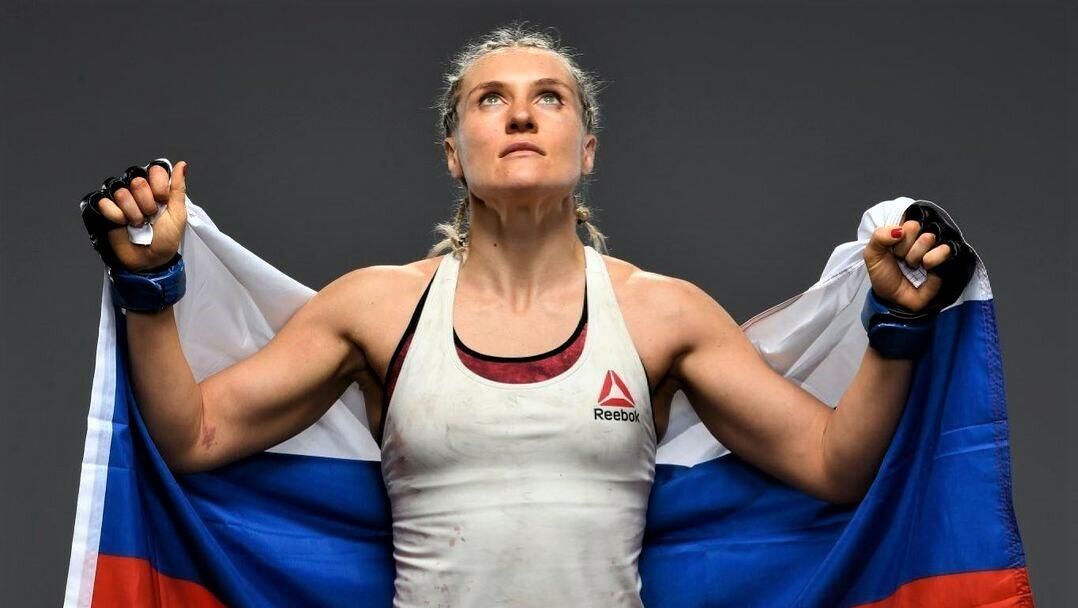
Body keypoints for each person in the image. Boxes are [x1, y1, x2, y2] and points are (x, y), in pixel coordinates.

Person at [78, 22, 962, 608]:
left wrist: (897, 324)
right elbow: (193, 436)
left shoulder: (661, 315)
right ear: (453, 153)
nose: (521, 116)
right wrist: (149, 284)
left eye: (550, 97)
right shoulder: (378, 308)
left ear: (588, 148)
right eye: (490, 99)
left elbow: (833, 463)